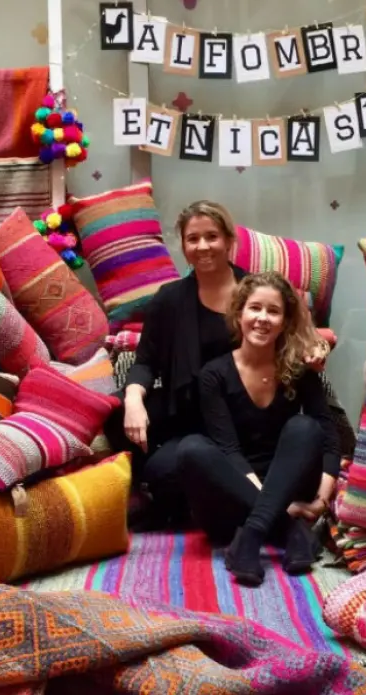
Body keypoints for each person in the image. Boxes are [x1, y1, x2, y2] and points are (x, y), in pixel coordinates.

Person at [179, 272, 339, 586]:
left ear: (285, 321)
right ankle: (290, 532)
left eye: (273, 311)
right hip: (233, 500)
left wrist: (320, 503)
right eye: (255, 308)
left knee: (305, 427)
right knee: (191, 449)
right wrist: (276, 508)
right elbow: (229, 450)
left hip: (290, 487)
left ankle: (251, 537)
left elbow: (329, 438)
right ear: (239, 314)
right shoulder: (214, 375)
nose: (263, 318)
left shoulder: (300, 369)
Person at [106, 201, 248, 527]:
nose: (203, 246)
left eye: (212, 236)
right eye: (193, 239)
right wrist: (133, 400)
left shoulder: (255, 293)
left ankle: (187, 500)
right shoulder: (169, 299)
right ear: (183, 246)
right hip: (184, 412)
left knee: (164, 472)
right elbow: (145, 361)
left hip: (237, 416)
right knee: (114, 411)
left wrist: (316, 346)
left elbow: (292, 334)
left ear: (229, 240)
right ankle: (154, 493)